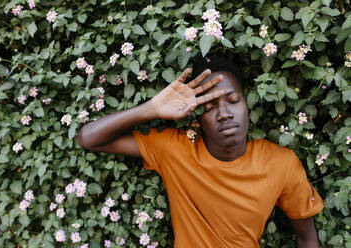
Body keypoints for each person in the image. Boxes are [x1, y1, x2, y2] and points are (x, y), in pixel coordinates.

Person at [76, 57, 324, 248]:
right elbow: (88, 138)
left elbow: (307, 239)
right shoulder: (173, 149)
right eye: (209, 106)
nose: (224, 113)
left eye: (233, 100)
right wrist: (152, 108)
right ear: (196, 119)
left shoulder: (281, 163)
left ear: (247, 105)